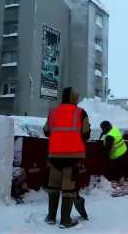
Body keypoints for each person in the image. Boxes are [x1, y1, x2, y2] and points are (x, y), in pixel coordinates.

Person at [43, 87, 90, 229]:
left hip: (55, 156)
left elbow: (46, 132)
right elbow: (86, 134)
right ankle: (65, 220)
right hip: (73, 156)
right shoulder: (81, 113)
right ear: (75, 98)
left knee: (53, 186)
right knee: (68, 187)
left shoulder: (53, 112)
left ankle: (51, 217)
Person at [100, 121, 128, 186]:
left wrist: (101, 154)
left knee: (115, 169)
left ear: (105, 128)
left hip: (117, 155)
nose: (102, 130)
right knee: (126, 168)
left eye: (103, 128)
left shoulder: (109, 136)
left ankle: (114, 182)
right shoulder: (114, 129)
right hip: (123, 151)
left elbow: (107, 148)